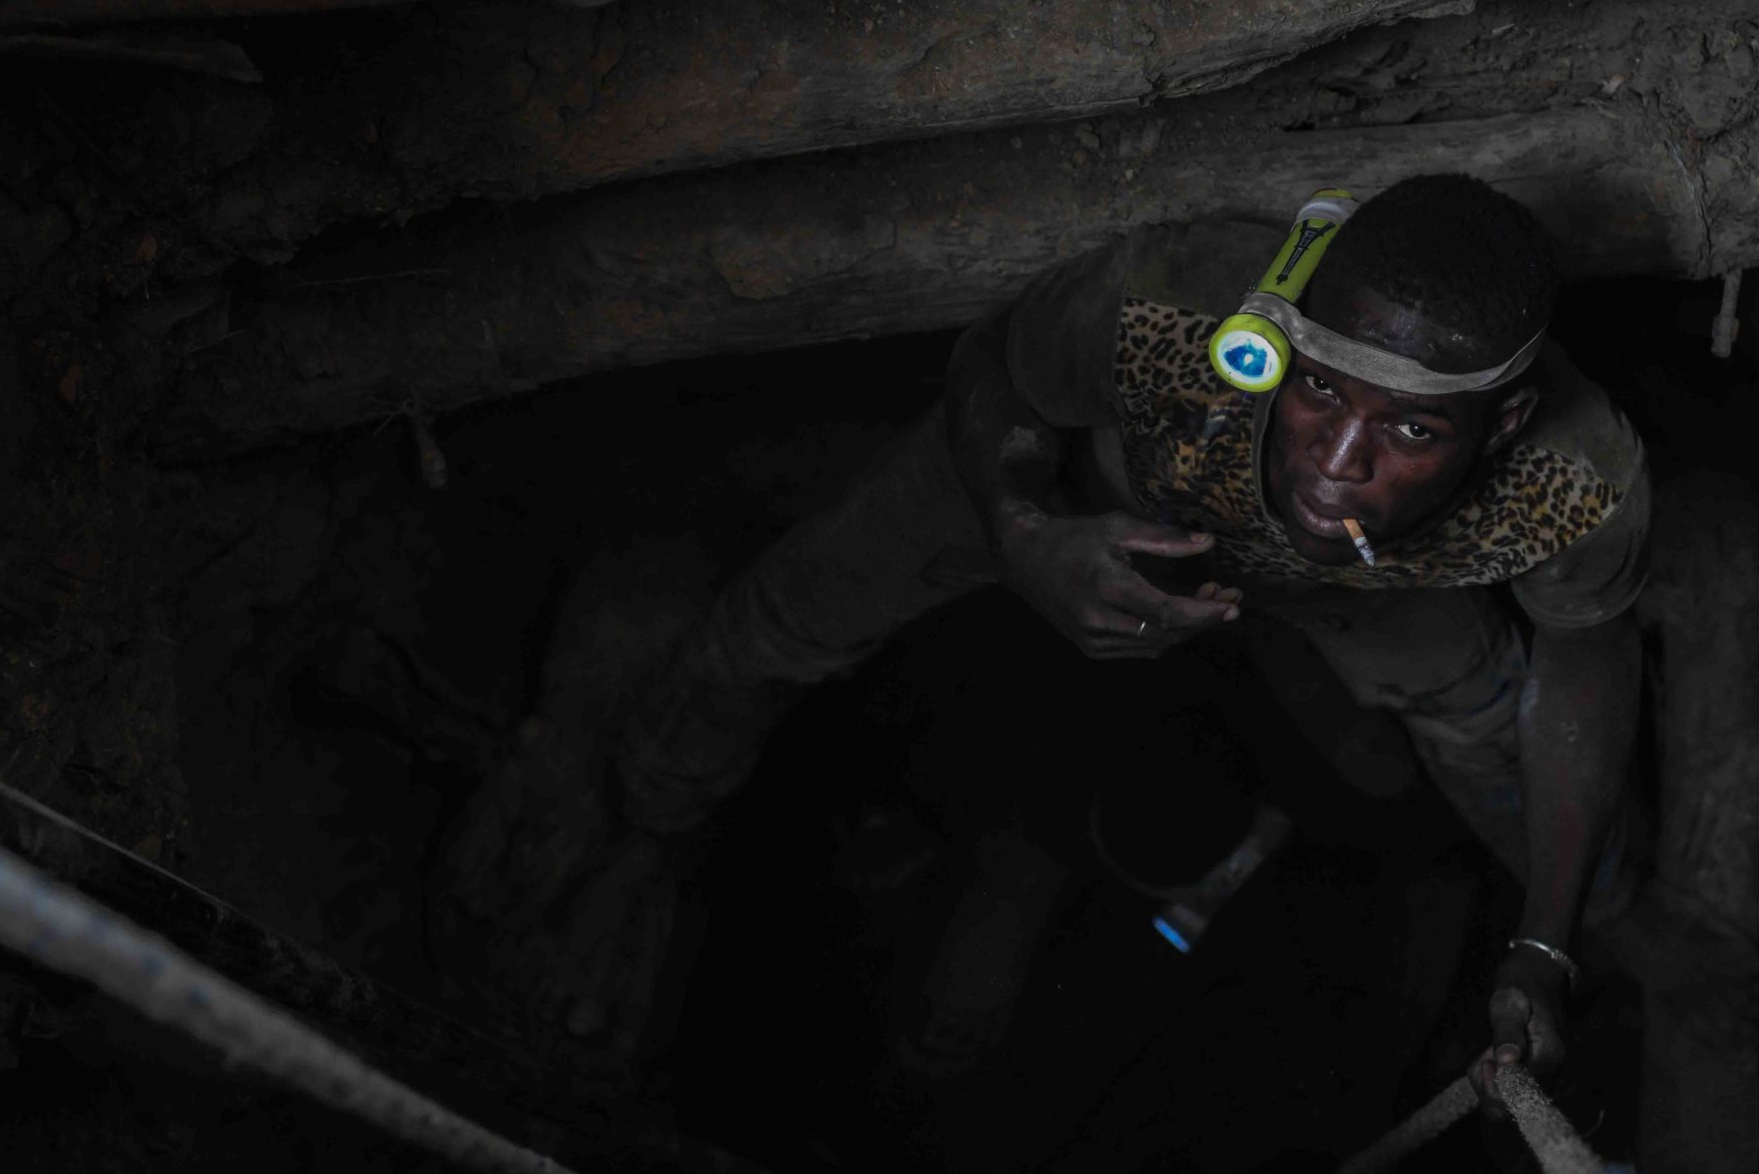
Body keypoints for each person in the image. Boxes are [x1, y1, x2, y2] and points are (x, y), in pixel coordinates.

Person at [442, 174, 1668, 1101]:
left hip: (1354, 591)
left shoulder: (1571, 476)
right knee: (783, 620)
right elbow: (998, 374)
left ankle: (1591, 947)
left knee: (1487, 720)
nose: (1337, 464)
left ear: (1500, 424)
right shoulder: (1178, 304)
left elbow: (1586, 651)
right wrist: (1024, 528)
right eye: (1319, 394)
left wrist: (1544, 937)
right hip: (1083, 494)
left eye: (1410, 435)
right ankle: (651, 825)